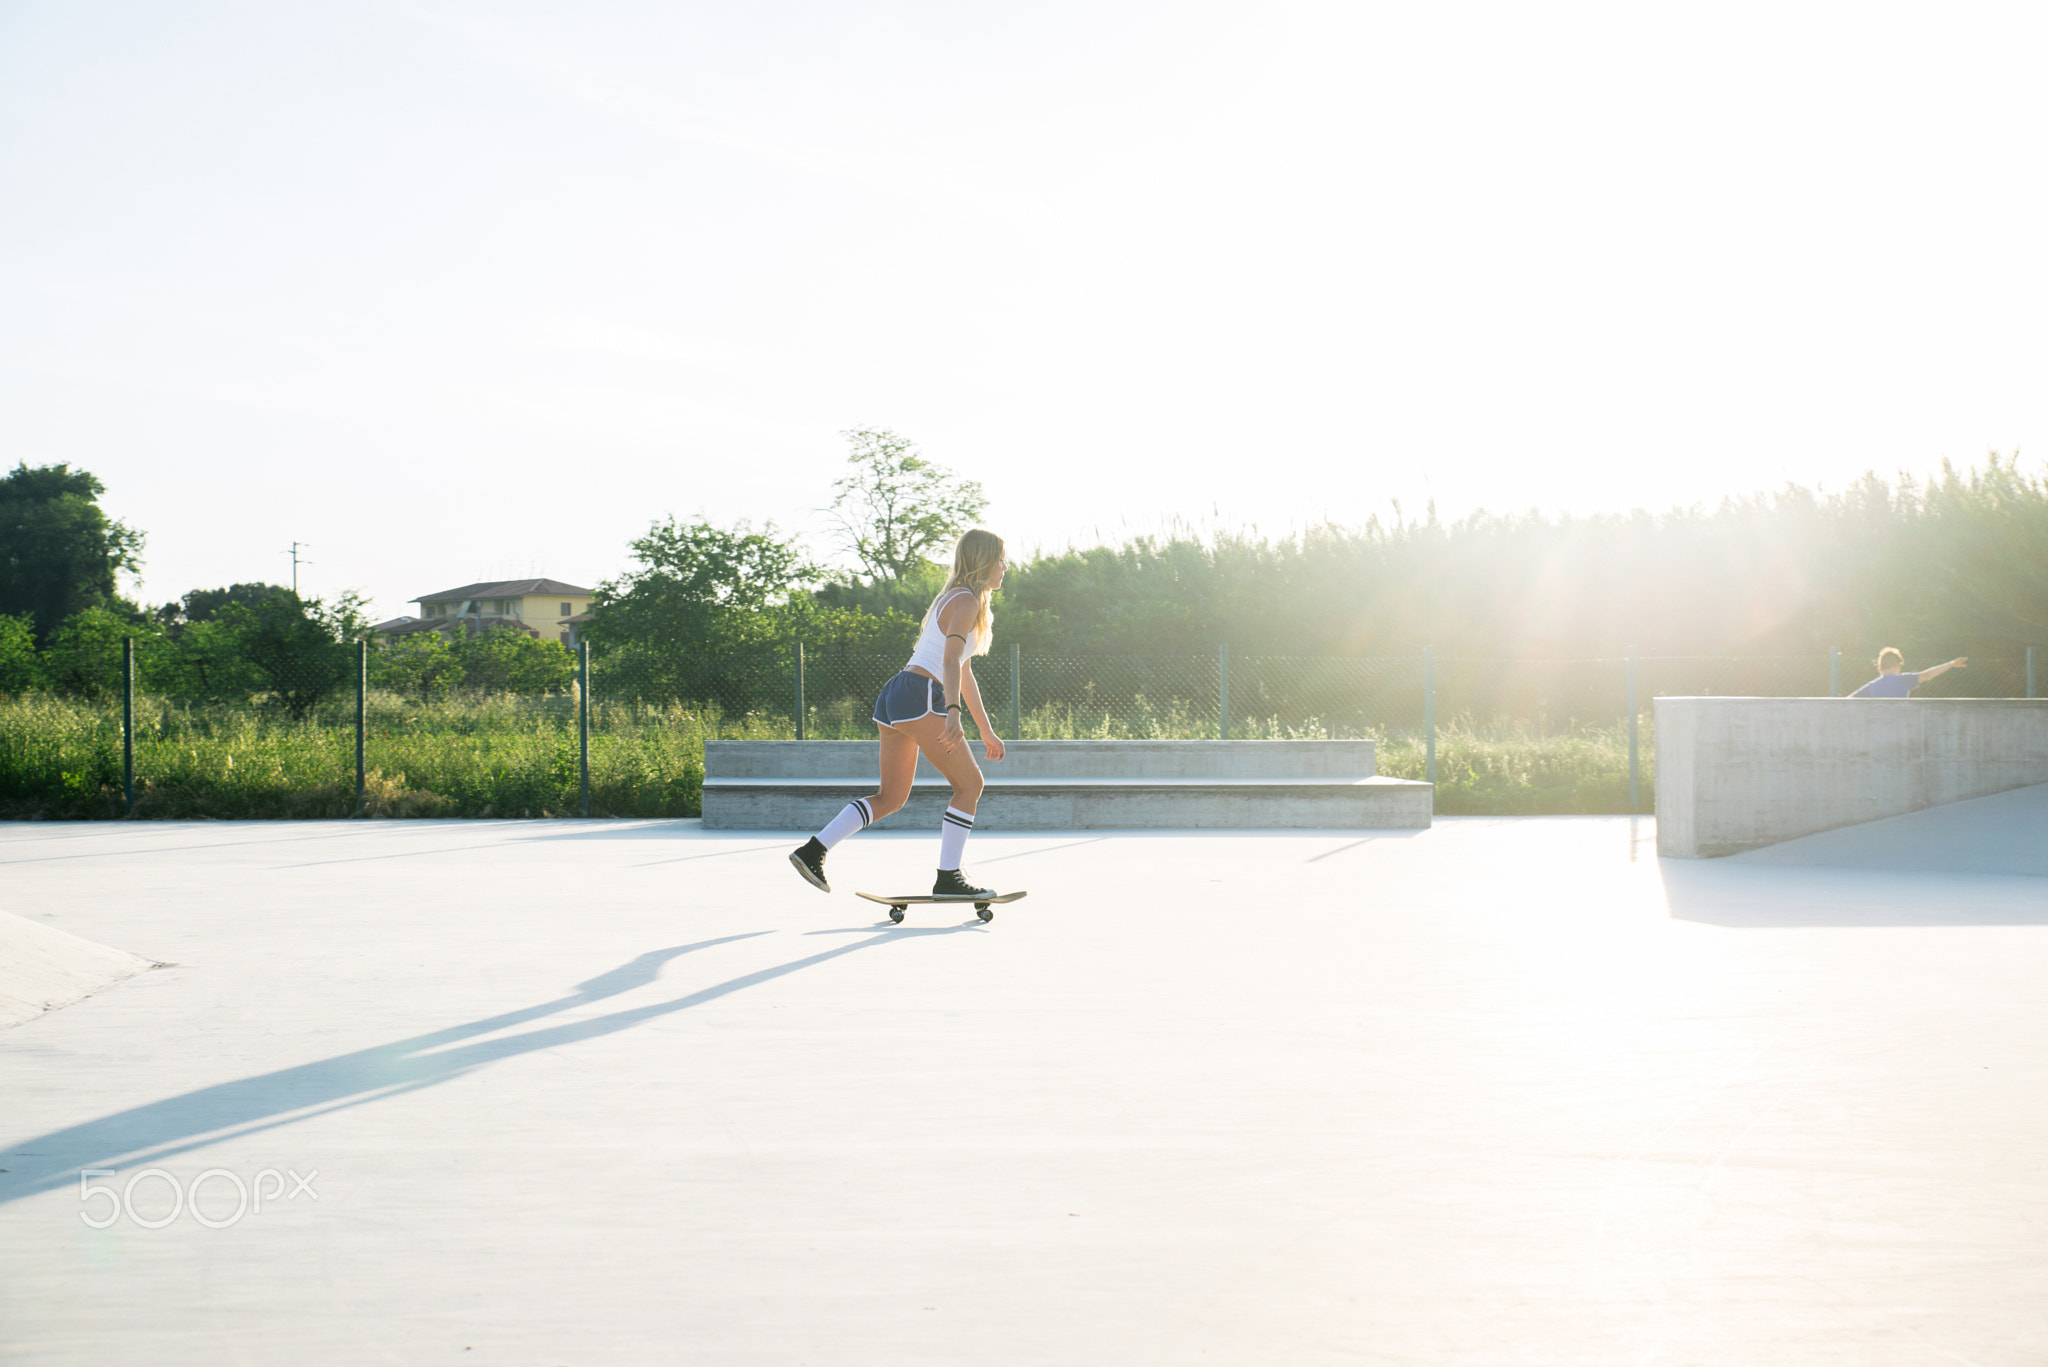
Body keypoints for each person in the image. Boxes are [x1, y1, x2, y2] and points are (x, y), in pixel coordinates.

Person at [789, 529, 1009, 898]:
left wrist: (986, 730)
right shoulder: (967, 601)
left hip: (897, 696)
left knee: (890, 798)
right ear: (983, 561)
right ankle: (948, 878)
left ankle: (813, 850)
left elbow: (964, 669)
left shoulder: (952, 598)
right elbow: (950, 660)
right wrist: (952, 713)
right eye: (1000, 559)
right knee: (970, 785)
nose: (1004, 567)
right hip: (921, 695)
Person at [1848, 647, 1967, 698]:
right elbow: (1927, 675)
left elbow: (1848, 700)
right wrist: (1950, 664)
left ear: (1879, 670)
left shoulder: (1871, 686)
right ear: (1897, 667)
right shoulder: (1903, 680)